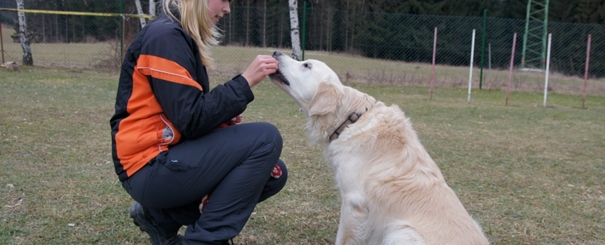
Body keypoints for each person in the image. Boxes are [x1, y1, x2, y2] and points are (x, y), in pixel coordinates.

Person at [109, 0, 287, 244]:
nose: (227, 9)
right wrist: (244, 82)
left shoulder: (178, 35)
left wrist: (221, 117)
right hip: (147, 166)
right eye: (224, 0)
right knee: (266, 139)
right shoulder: (165, 38)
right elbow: (190, 119)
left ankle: (160, 219)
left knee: (272, 173)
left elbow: (184, 112)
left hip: (166, 157)